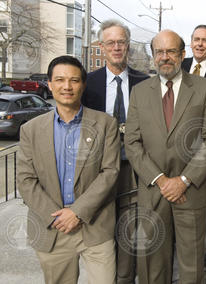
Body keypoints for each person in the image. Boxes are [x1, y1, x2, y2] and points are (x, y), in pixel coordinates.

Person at [124, 29, 206, 284]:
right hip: (153, 189)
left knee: (192, 265)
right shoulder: (140, 92)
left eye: (171, 51)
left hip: (191, 191)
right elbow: (132, 141)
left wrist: (184, 180)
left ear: (182, 54)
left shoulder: (204, 88)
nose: (164, 57)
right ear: (153, 55)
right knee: (152, 262)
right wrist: (160, 179)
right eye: (159, 51)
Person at [17, 55, 120, 284]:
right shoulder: (30, 130)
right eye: (60, 80)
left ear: (83, 85)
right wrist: (57, 217)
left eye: (74, 80)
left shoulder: (105, 124)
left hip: (95, 225)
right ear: (50, 84)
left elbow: (110, 172)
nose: (67, 86)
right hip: (52, 228)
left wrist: (77, 212)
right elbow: (25, 180)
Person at [81, 19, 149, 284]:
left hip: (133, 169)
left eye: (121, 42)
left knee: (129, 226)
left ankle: (124, 277)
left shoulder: (144, 83)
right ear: (102, 46)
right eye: (111, 43)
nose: (117, 47)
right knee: (100, 227)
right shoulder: (88, 83)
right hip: (97, 169)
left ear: (128, 46)